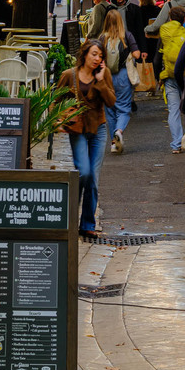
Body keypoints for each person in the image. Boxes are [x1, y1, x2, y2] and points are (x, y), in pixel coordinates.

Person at [59, 39, 116, 236]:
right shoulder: (69, 75)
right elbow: (54, 99)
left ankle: (87, 225)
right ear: (84, 55)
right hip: (77, 130)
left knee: (93, 177)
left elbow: (111, 102)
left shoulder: (103, 74)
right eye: (94, 54)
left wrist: (100, 81)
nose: (97, 58)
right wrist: (59, 121)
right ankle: (71, 215)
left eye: (100, 55)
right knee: (83, 172)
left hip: (98, 129)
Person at [158, 0, 185, 167]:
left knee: (173, 110)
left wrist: (158, 76)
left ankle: (176, 144)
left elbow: (157, 56)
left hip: (168, 76)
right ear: (184, 19)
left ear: (169, 17)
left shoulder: (164, 34)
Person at [100, 6, 139, 154]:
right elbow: (136, 54)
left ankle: (113, 143)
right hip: (123, 76)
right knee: (123, 108)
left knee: (109, 110)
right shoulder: (127, 36)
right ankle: (119, 131)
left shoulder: (102, 38)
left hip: (106, 76)